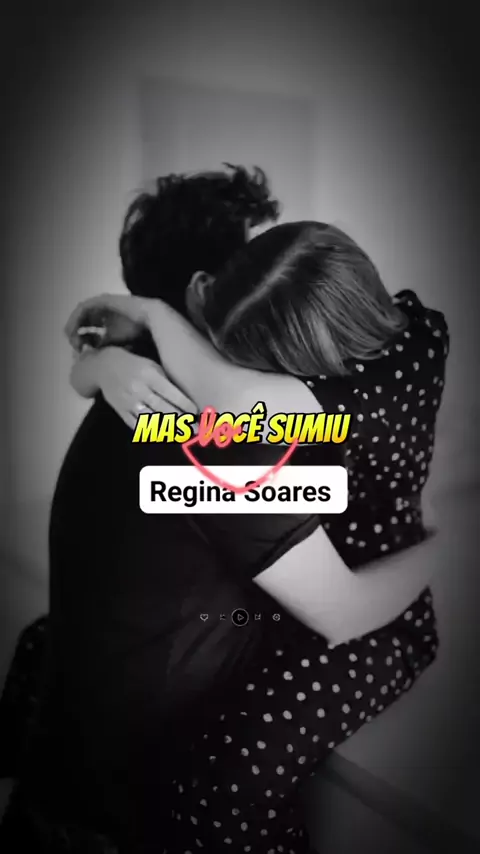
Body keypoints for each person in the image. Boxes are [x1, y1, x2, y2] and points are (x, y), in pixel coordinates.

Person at [59, 219, 449, 853]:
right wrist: (104, 360)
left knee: (232, 772)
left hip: (371, 601)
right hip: (319, 590)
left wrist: (446, 546)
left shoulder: (294, 409)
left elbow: (344, 611)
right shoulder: (416, 330)